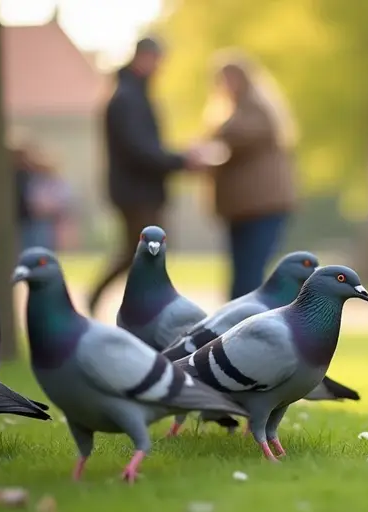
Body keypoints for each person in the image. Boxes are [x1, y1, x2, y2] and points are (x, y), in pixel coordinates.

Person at [87, 38, 203, 316]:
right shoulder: (127, 98)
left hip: (140, 190)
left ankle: (136, 307)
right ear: (144, 58)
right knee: (145, 252)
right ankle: (142, 311)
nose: (159, 68)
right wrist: (181, 161)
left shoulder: (132, 95)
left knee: (138, 253)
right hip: (137, 192)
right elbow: (140, 149)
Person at [198, 49, 298, 300]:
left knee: (249, 276)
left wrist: (208, 144)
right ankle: (237, 319)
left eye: (232, 78)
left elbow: (241, 135)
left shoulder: (257, 109)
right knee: (242, 275)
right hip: (241, 209)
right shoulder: (229, 113)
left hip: (262, 207)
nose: (227, 85)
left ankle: (246, 319)